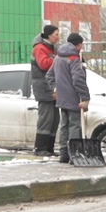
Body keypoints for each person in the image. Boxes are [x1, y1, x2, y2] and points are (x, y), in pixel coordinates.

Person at [51, 32, 90, 162]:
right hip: (73, 98)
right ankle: (75, 155)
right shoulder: (73, 59)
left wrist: (56, 88)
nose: (81, 48)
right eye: (81, 45)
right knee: (74, 126)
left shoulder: (58, 57)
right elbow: (78, 79)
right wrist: (85, 98)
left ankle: (64, 154)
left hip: (62, 98)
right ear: (77, 44)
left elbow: (49, 75)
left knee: (64, 126)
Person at [28, 24, 60, 155]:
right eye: (56, 35)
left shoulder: (52, 48)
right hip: (44, 88)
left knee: (54, 119)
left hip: (51, 87)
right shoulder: (40, 48)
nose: (58, 37)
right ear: (49, 35)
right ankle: (40, 148)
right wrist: (57, 60)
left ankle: (49, 148)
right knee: (46, 119)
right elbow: (44, 64)